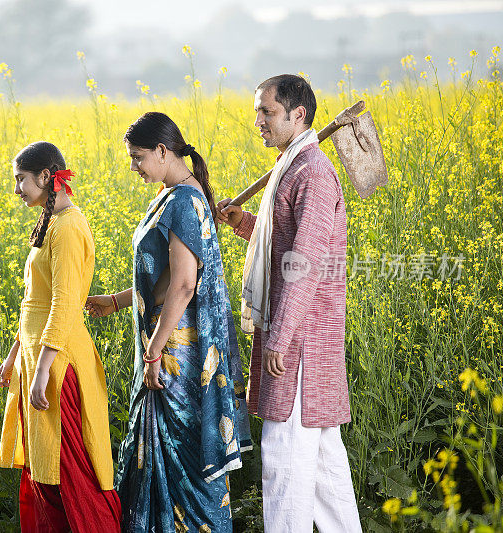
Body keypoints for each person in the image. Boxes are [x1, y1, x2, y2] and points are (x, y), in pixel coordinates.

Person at [86, 112, 252, 532]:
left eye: (138, 157)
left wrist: (153, 351)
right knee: (175, 461)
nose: (134, 167)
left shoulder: (181, 200)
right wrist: (117, 301)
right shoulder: (182, 193)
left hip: (178, 357)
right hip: (177, 349)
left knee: (184, 464)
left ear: (163, 151)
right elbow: (162, 280)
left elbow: (182, 286)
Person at [216, 74, 362, 532]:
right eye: (257, 110)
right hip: (301, 339)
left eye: (267, 111)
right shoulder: (293, 167)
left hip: (301, 345)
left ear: (297, 115)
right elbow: (287, 238)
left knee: (284, 461)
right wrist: (245, 223)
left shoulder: (312, 173)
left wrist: (279, 338)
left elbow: (305, 262)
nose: (257, 120)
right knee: (322, 469)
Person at [0, 141, 121, 532]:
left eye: (21, 180)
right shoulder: (51, 221)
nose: (17, 190)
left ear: (46, 177)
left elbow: (66, 304)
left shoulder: (67, 228)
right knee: (45, 472)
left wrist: (43, 370)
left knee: (72, 472)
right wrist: (15, 355)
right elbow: (35, 300)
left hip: (59, 365)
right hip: (39, 358)